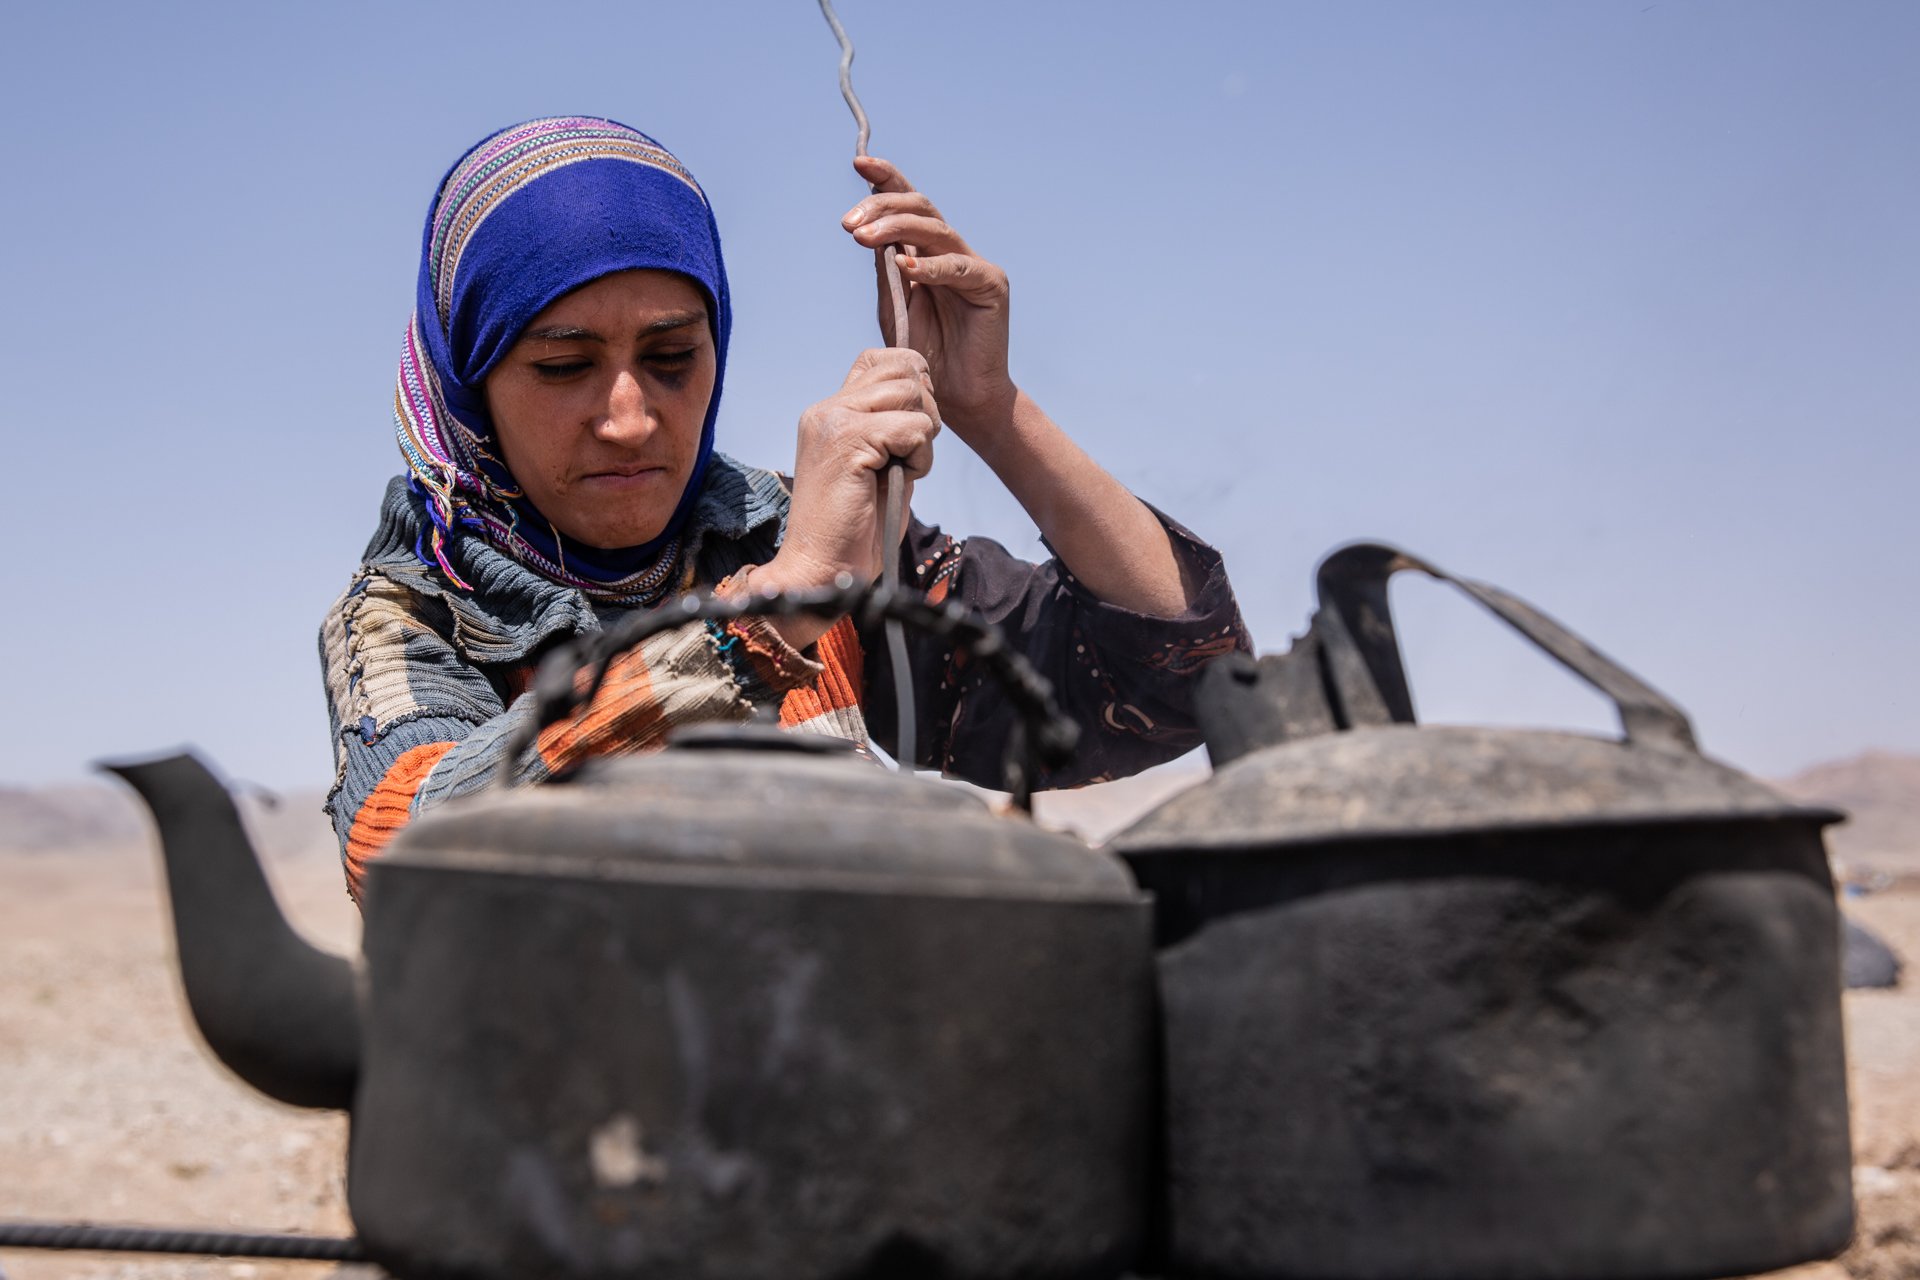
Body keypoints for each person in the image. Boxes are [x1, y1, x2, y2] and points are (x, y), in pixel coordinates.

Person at [321, 116, 1249, 901]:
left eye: (673, 356)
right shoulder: (415, 611)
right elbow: (408, 854)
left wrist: (990, 408)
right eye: (564, 367)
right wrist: (776, 612)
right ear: (471, 383)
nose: (630, 418)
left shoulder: (789, 535)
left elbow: (1167, 680)